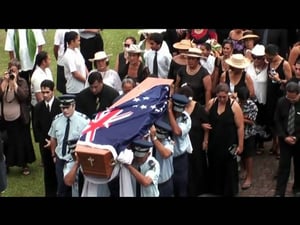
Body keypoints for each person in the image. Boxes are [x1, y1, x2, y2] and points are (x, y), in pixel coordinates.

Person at [205, 83, 244, 196]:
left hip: (229, 142)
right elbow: (207, 121)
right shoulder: (211, 103)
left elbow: (240, 126)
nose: (222, 99)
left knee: (230, 167)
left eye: (224, 97)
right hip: (215, 141)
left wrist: (241, 145)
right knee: (215, 165)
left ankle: (230, 191)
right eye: (220, 97)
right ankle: (216, 189)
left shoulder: (234, 106)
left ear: (228, 95)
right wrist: (206, 139)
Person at [48, 94, 90, 197]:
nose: (64, 110)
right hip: (60, 159)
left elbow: (89, 142)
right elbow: (53, 138)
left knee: (77, 189)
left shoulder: (84, 121)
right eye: (62, 108)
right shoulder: (56, 120)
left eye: (67, 107)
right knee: (61, 188)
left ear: (73, 105)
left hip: (76, 160)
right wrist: (53, 155)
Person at [0, 59, 35, 176]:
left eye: (14, 70)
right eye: (11, 69)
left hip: (19, 118)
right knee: (6, 142)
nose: (12, 72)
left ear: (18, 71)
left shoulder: (22, 82)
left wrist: (14, 83)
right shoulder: (2, 81)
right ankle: (7, 165)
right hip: (5, 119)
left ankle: (24, 164)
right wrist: (5, 82)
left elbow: (24, 96)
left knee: (21, 142)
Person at [33, 80, 61, 197]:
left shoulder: (60, 105)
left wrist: (54, 142)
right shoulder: (38, 107)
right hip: (45, 145)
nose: (44, 95)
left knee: (59, 171)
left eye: (47, 92)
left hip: (59, 145)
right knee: (48, 171)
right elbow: (35, 127)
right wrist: (46, 141)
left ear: (53, 91)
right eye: (42, 92)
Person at [274, 82, 300, 197]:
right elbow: (277, 121)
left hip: (298, 140)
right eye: (288, 97)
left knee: (299, 165)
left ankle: (297, 188)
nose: (290, 100)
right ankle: (280, 192)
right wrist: (284, 137)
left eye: (293, 98)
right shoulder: (281, 102)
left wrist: (297, 137)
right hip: (285, 140)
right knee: (284, 166)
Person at [168, 93, 192, 197]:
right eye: (175, 109)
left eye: (179, 110)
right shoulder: (166, 115)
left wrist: (169, 112)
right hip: (167, 158)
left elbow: (177, 131)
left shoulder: (185, 118)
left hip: (179, 159)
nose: (177, 112)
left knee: (180, 187)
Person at [236, 86, 258, 190]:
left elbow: (252, 121)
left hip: (248, 133)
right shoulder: (235, 102)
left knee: (248, 155)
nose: (242, 102)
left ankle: (249, 177)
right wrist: (243, 117)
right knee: (240, 153)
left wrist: (239, 118)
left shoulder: (252, 106)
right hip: (236, 133)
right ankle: (243, 170)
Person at [150, 119, 174, 197]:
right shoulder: (149, 141)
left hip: (164, 183)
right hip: (151, 183)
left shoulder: (169, 142)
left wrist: (154, 139)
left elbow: (165, 153)